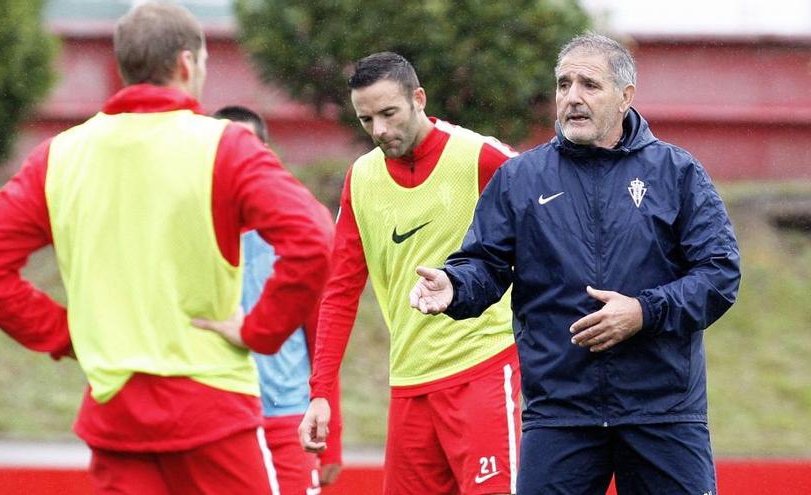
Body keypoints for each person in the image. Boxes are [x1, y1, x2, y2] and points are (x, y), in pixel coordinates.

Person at [0, 3, 333, 494]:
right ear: (186, 64)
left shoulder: (62, 155)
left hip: (116, 414)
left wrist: (67, 335)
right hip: (212, 409)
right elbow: (313, 237)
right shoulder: (225, 147)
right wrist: (262, 331)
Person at [410, 32, 741, 495]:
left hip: (662, 411)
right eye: (564, 84)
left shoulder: (676, 173)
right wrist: (455, 284)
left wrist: (643, 312)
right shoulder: (520, 179)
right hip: (560, 411)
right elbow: (485, 263)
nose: (572, 98)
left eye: (589, 84)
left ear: (625, 97)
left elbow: (719, 274)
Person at [299, 52, 521, 495]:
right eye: (366, 119)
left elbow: (555, 222)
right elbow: (340, 291)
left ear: (418, 98)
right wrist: (320, 391)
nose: (379, 130)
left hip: (484, 369)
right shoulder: (361, 179)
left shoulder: (481, 156)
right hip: (409, 385)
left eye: (389, 113)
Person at [212, 105, 343, 493]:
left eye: (247, 147)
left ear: (265, 154)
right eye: (224, 149)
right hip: (217, 420)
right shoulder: (190, 228)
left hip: (287, 417)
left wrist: (331, 435)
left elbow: (322, 332)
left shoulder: (299, 229)